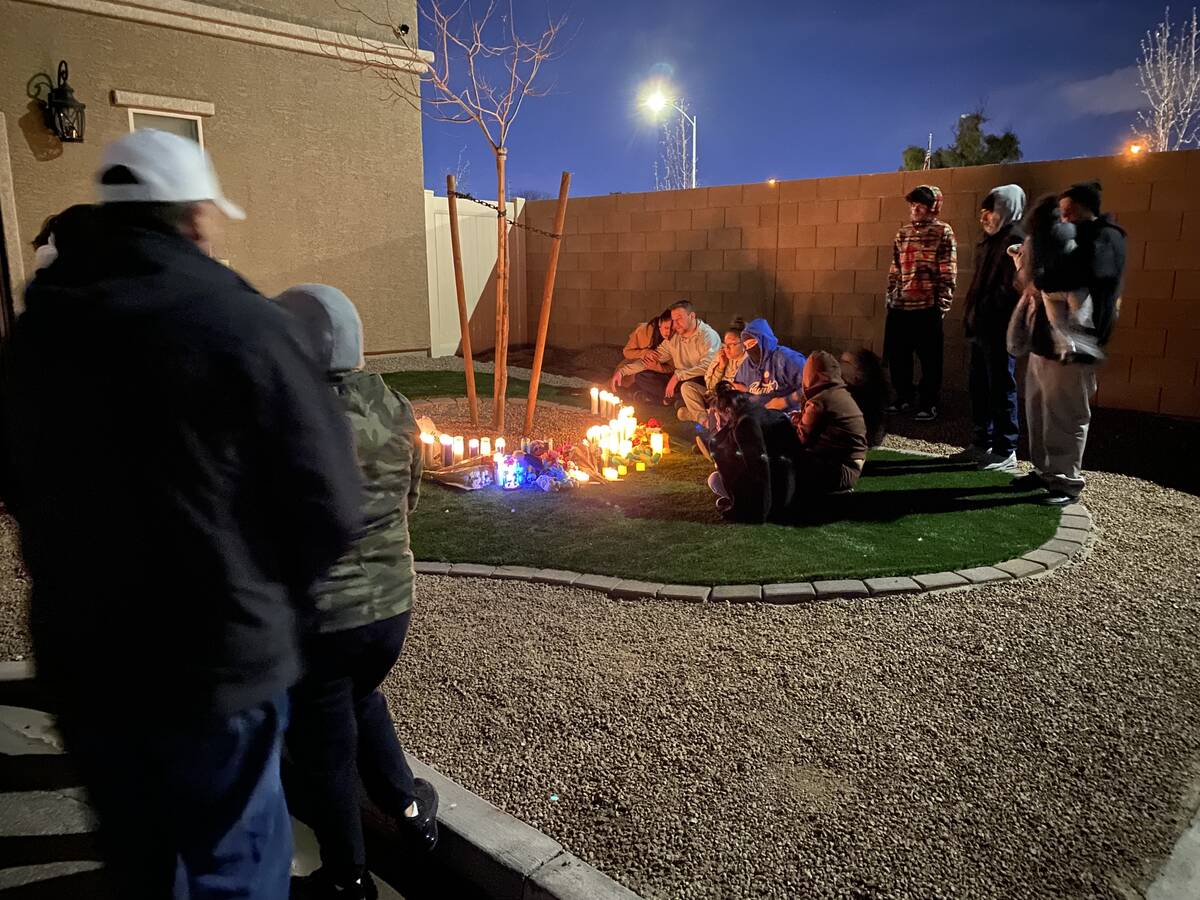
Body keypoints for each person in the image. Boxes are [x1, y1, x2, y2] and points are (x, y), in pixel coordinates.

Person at [6, 129, 362, 898]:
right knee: (234, 865)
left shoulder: (41, 333)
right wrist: (275, 602)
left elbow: (17, 479)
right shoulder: (244, 327)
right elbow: (330, 498)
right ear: (195, 216)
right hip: (215, 665)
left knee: (142, 859)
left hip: (86, 660)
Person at [276, 284, 438, 900]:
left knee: (325, 750)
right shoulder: (393, 402)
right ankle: (408, 806)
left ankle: (347, 877)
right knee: (361, 694)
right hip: (393, 604)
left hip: (325, 615)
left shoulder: (291, 414)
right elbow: (410, 495)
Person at [1012, 181, 1126, 505]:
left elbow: (1084, 277)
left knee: (1066, 413)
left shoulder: (1106, 237)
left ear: (1086, 207)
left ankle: (1066, 480)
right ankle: (1044, 470)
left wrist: (1045, 273)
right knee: (1038, 410)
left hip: (1075, 346)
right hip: (1045, 341)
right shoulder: (1065, 236)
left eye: (1069, 208)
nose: (1064, 215)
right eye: (1062, 209)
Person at [950, 185, 1027, 471]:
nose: (984, 217)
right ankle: (982, 443)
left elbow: (1012, 288)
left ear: (1006, 210)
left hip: (999, 329)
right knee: (979, 387)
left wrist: (983, 311)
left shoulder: (1015, 241)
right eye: (983, 211)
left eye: (990, 210)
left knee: (1001, 386)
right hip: (980, 328)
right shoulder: (988, 242)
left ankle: (1006, 449)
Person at [884, 184, 957, 421]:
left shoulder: (943, 232)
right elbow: (895, 269)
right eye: (913, 204)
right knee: (898, 357)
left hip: (927, 308)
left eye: (921, 205)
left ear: (932, 207)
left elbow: (948, 271)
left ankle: (929, 403)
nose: (915, 209)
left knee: (930, 360)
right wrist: (890, 296)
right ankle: (904, 397)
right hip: (900, 307)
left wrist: (941, 306)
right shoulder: (902, 233)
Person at [615, 299, 720, 422]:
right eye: (674, 320)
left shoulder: (707, 336)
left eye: (679, 318)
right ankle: (675, 401)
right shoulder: (675, 337)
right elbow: (654, 357)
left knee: (687, 384)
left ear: (692, 316)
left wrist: (678, 376)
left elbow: (707, 366)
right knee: (643, 376)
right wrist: (622, 372)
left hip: (699, 381)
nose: (675, 324)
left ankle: (676, 401)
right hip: (678, 380)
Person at [787, 351, 869, 494]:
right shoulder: (839, 393)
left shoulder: (819, 401)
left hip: (838, 471)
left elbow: (801, 439)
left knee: (784, 461)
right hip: (850, 468)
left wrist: (788, 424)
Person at [731, 317, 807, 409]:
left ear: (763, 340)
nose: (749, 349)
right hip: (757, 417)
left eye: (752, 343)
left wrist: (786, 401)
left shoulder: (786, 359)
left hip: (785, 416)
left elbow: (812, 386)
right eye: (746, 346)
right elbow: (737, 389)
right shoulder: (746, 366)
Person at [610, 309, 673, 390]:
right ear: (660, 323)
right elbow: (627, 352)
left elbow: (673, 366)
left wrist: (659, 368)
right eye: (666, 328)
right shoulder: (645, 330)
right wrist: (645, 352)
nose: (669, 332)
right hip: (635, 365)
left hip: (658, 370)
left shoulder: (673, 340)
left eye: (672, 329)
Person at [840, 348, 888, 450]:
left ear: (860, 372)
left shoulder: (868, 397)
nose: (840, 365)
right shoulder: (845, 387)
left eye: (846, 363)